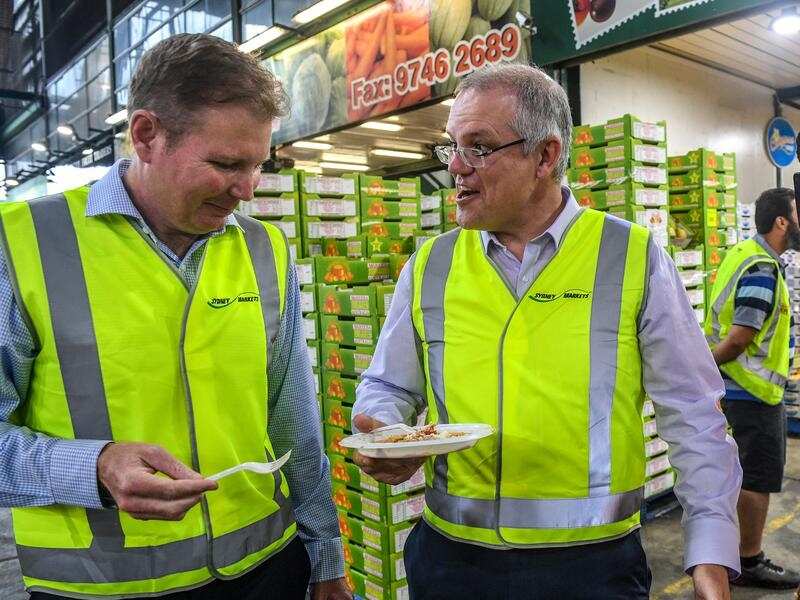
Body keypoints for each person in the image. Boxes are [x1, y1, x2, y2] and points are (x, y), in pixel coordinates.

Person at [352, 63, 742, 599]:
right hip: (451, 563)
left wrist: (710, 552)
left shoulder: (630, 256)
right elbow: (389, 385)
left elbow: (694, 412)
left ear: (545, 155)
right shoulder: (430, 265)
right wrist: (384, 429)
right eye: (451, 148)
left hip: (590, 568)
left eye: (479, 147)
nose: (456, 168)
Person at [0, 34, 350, 600]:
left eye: (259, 164)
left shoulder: (265, 250)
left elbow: (293, 417)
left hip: (265, 569)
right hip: (102, 586)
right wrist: (95, 467)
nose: (249, 189)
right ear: (146, 135)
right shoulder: (23, 245)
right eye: (226, 164)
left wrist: (324, 552)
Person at [706, 187, 800, 590]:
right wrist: (699, 369)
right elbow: (739, 339)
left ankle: (732, 556)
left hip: (739, 392)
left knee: (740, 476)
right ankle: (749, 560)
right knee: (756, 480)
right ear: (781, 221)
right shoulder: (761, 268)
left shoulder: (743, 253)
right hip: (752, 394)